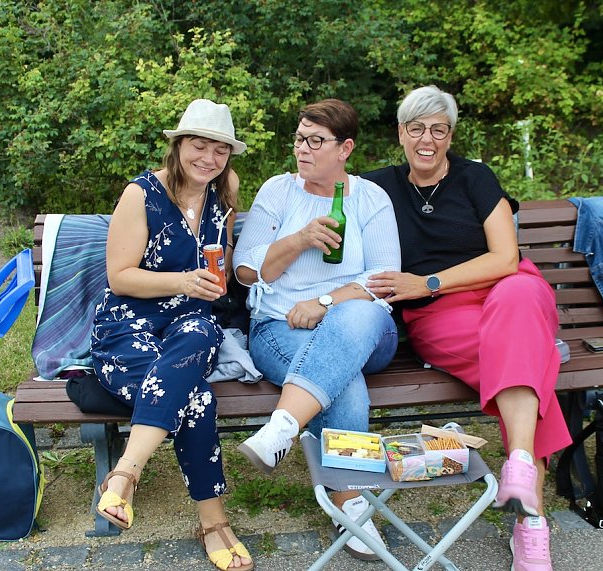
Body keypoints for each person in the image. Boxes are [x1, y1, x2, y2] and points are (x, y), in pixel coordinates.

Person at [363, 85, 572, 571]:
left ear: (451, 135)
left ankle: (525, 491)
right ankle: (529, 513)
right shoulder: (377, 187)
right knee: (524, 361)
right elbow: (322, 187)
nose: (427, 139)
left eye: (438, 129)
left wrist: (428, 281)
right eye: (416, 128)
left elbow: (506, 258)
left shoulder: (477, 177)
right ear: (401, 133)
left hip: (506, 290)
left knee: (518, 302)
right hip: (441, 315)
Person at [232, 99, 400, 561]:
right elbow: (245, 270)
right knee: (345, 383)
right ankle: (352, 505)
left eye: (315, 141)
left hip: (364, 330)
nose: (302, 150)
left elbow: (384, 280)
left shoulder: (369, 199)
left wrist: (324, 303)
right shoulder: (279, 192)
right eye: (299, 139)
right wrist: (299, 239)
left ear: (345, 148)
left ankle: (283, 427)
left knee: (357, 316)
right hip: (278, 327)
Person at [90, 99, 254, 571]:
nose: (208, 158)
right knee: (196, 398)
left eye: (220, 150)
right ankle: (211, 520)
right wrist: (182, 282)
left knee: (203, 331)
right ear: (179, 145)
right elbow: (119, 277)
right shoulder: (140, 194)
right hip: (130, 320)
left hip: (190, 322)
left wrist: (208, 283)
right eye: (198, 146)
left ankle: (123, 475)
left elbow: (217, 265)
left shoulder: (225, 192)